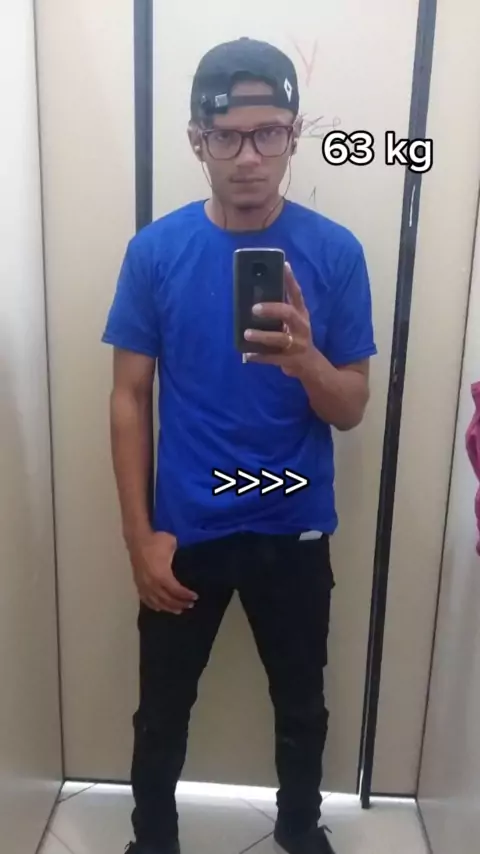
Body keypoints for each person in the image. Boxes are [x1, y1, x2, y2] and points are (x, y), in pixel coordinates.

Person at [102, 36, 377, 854]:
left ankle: (298, 829)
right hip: (187, 527)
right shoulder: (155, 252)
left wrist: (306, 361)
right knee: (161, 710)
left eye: (269, 133)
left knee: (302, 705)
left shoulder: (336, 253)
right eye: (228, 136)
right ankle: (153, 840)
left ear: (294, 135)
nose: (249, 156)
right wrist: (139, 538)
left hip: (292, 523)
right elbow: (128, 397)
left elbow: (352, 408)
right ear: (198, 139)